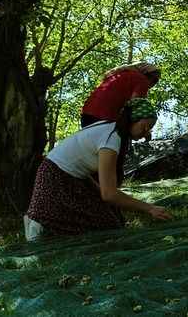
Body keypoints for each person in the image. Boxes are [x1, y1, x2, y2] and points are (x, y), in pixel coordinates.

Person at [24, 98, 171, 240]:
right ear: (133, 119)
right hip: (55, 178)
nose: (147, 133)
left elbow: (102, 188)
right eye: (145, 126)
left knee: (113, 218)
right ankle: (39, 223)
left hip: (74, 177)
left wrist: (97, 193)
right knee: (105, 224)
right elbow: (109, 194)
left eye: (150, 128)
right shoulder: (111, 138)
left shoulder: (112, 130)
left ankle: (44, 221)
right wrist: (149, 208)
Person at [80, 62, 161, 129]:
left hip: (87, 113)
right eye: (154, 80)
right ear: (147, 74)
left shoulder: (120, 74)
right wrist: (144, 129)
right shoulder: (142, 80)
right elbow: (135, 105)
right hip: (104, 116)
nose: (153, 84)